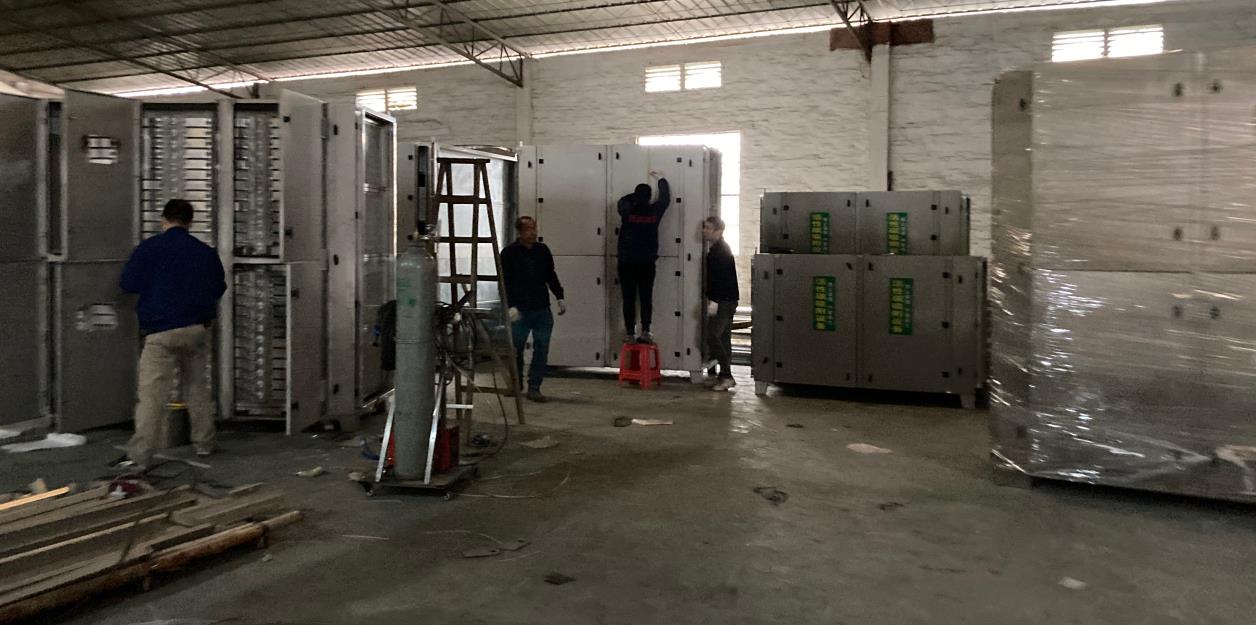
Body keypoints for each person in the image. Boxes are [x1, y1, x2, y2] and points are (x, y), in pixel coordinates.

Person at [115, 199, 226, 472]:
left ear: (163, 219)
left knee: (152, 395)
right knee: (197, 387)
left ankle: (140, 454)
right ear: (190, 222)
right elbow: (218, 287)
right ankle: (204, 443)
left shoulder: (149, 248)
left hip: (160, 332)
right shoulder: (204, 252)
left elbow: (128, 283)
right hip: (196, 330)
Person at [501, 216, 566, 403]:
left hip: (541, 308)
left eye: (534, 228)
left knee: (542, 348)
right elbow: (505, 281)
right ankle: (516, 383)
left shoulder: (542, 251)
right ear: (520, 232)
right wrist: (510, 305)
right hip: (520, 309)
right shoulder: (509, 253)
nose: (533, 233)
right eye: (528, 229)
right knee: (516, 348)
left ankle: (534, 387)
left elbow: (550, 275)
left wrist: (559, 296)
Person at [617, 171, 670, 344]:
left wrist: (635, 196)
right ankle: (646, 330)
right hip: (647, 262)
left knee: (628, 298)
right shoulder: (654, 212)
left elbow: (622, 201)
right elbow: (665, 199)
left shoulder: (627, 211)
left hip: (627, 262)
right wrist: (661, 179)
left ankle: (630, 333)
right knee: (646, 297)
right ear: (649, 197)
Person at [703, 216, 739, 392]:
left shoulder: (720, 252)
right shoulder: (718, 249)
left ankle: (727, 376)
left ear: (718, 231)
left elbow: (721, 279)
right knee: (724, 338)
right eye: (705, 227)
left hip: (724, 300)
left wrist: (715, 301)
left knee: (712, 336)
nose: (705, 231)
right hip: (727, 299)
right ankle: (724, 375)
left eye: (709, 228)